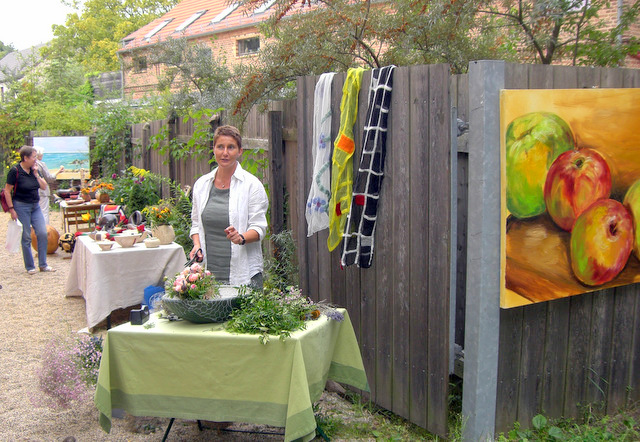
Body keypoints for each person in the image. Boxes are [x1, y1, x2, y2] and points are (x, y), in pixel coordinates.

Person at [189, 125, 268, 288]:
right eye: (220, 147)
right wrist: (197, 245)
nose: (225, 152)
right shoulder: (201, 185)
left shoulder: (252, 185)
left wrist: (241, 238)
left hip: (243, 274)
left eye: (231, 147)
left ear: (240, 151)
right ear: (214, 149)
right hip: (208, 275)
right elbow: (196, 224)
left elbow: (259, 228)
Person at [4, 145, 56, 274]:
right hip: (21, 205)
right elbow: (7, 191)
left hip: (35, 205)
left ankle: (43, 264)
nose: (35, 160)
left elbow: (44, 186)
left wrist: (36, 174)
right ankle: (30, 266)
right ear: (25, 158)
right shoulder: (15, 171)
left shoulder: (34, 170)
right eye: (33, 157)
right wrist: (11, 209)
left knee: (42, 233)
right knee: (26, 236)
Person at [34, 146, 64, 225]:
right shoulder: (41, 164)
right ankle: (45, 229)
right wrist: (59, 171)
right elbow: (49, 178)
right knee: (44, 212)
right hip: (42, 191)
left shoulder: (30, 164)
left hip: (33, 191)